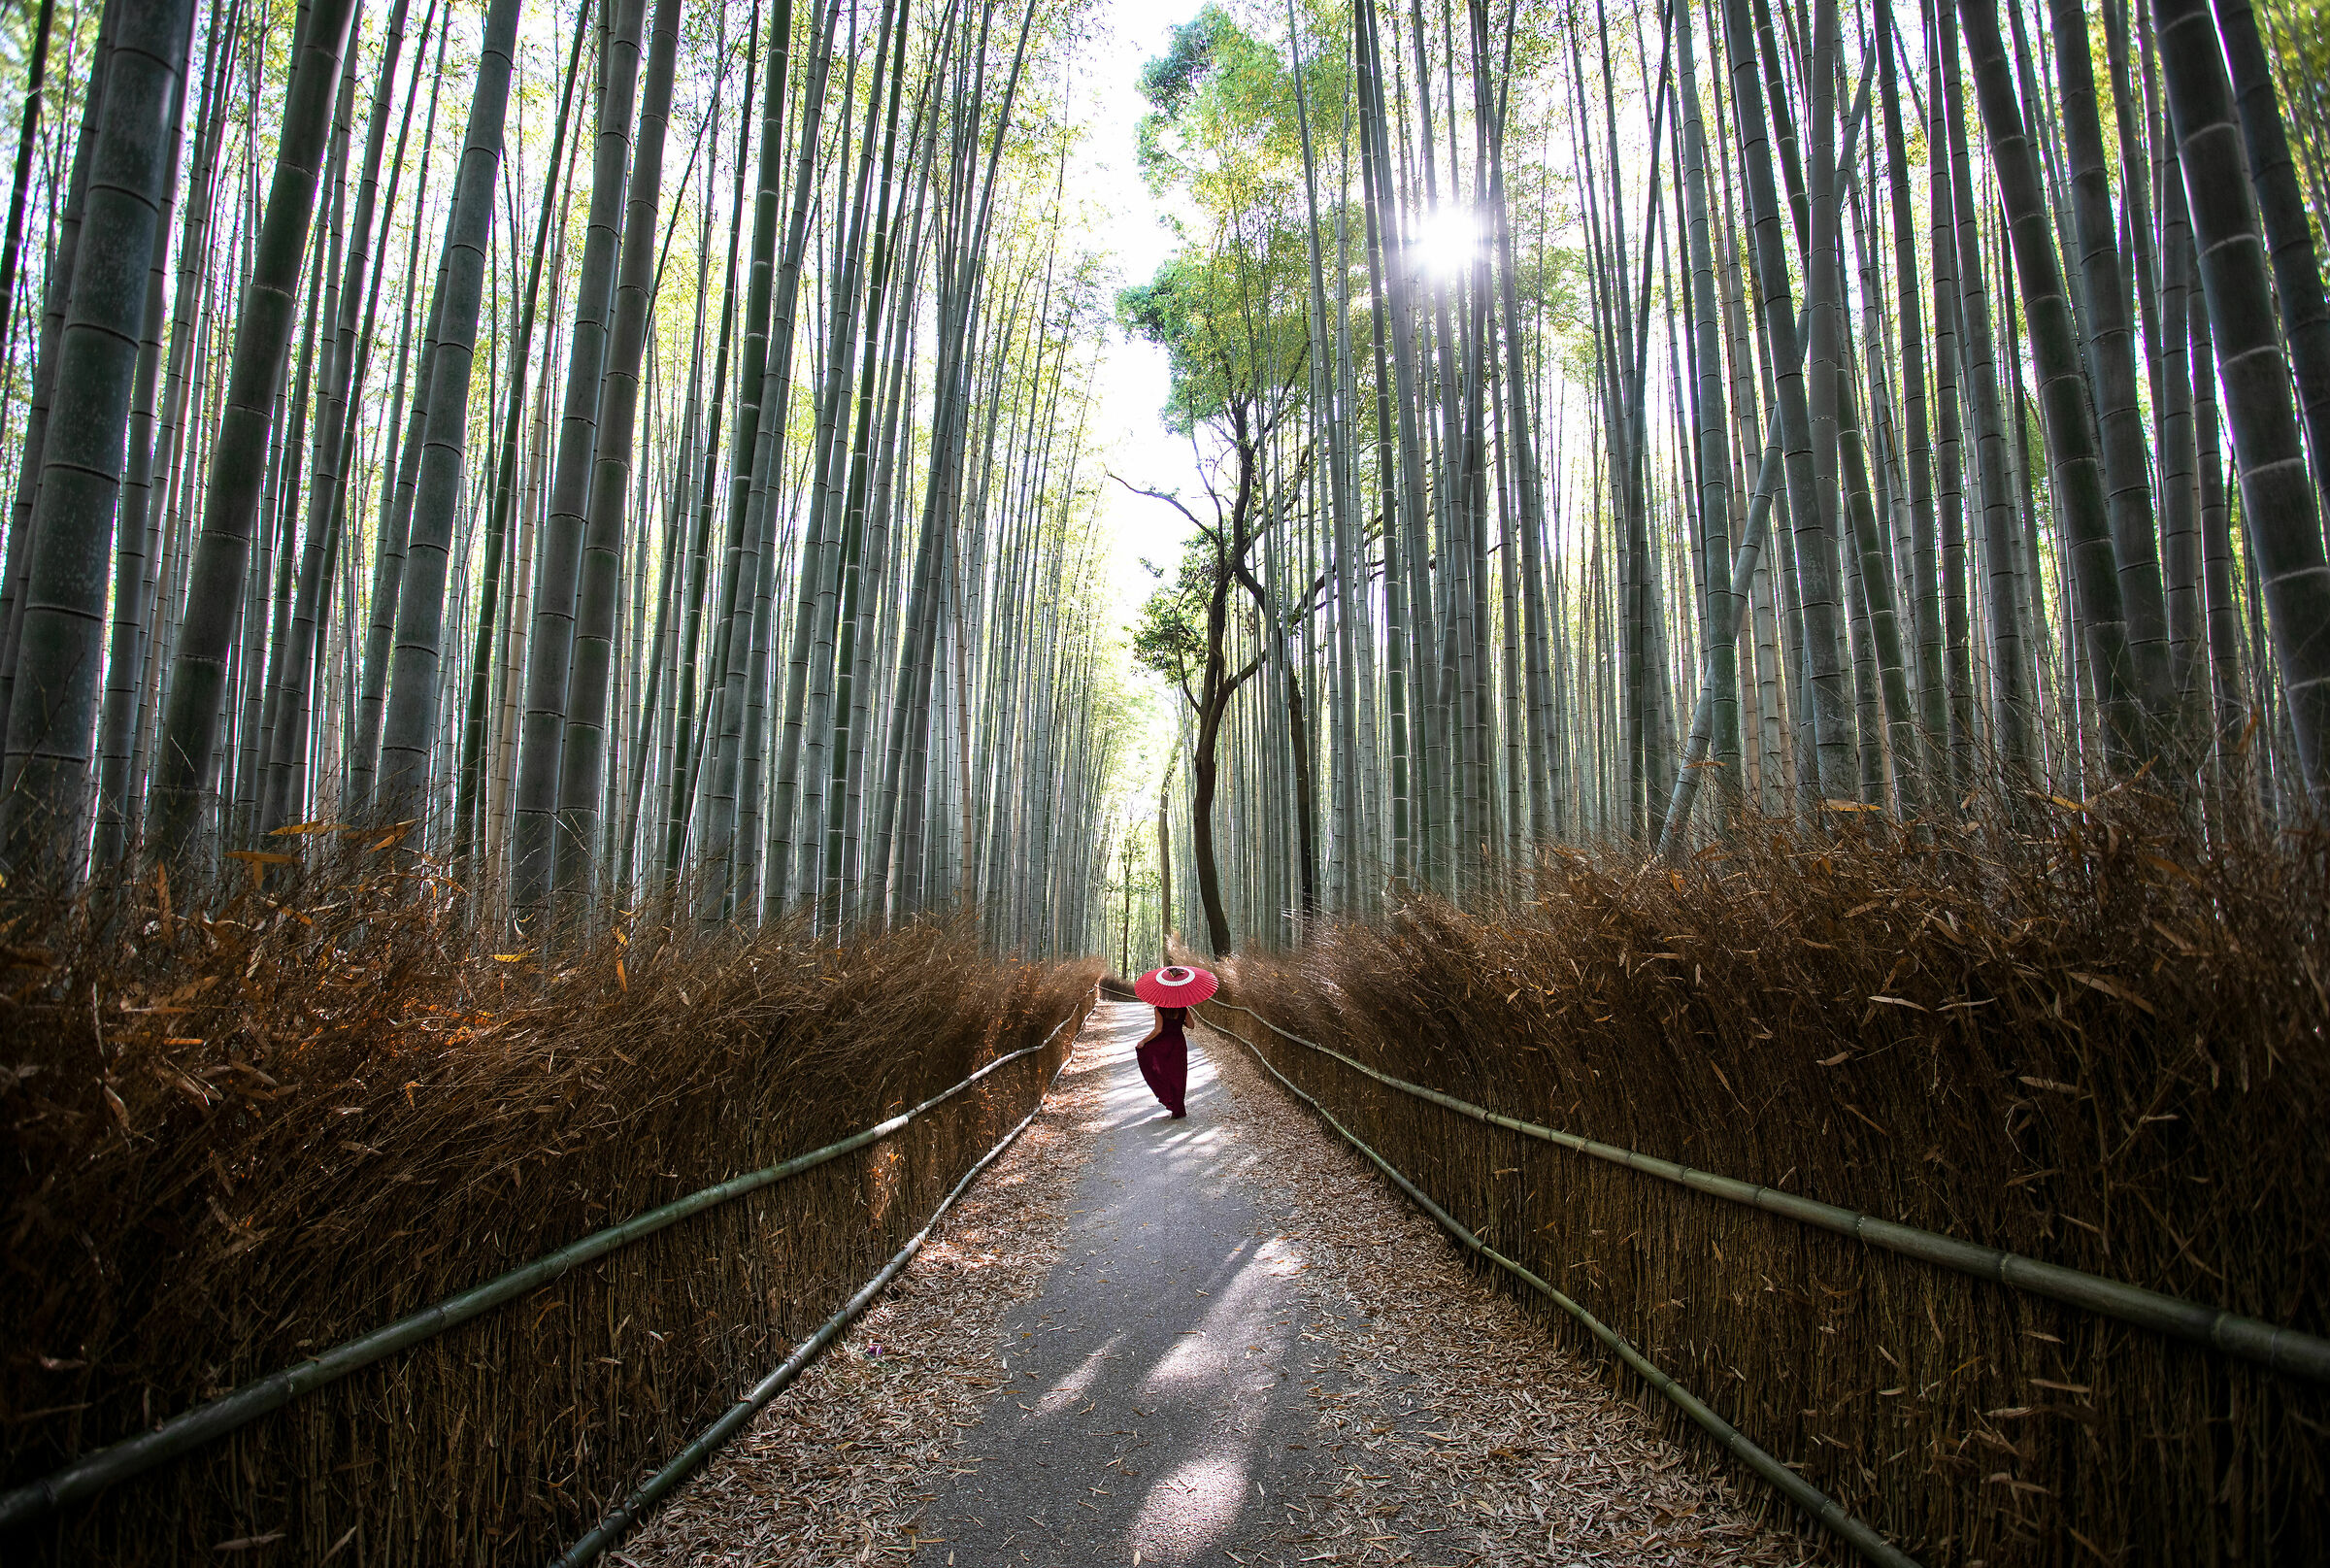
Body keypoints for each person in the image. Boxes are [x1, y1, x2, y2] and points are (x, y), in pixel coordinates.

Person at [1131, 964, 1217, 1119]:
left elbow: (1158, 1030)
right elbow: (1191, 1026)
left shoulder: (1159, 1008)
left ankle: (1169, 1100)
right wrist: (1182, 1020)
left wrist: (1143, 1041)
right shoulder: (1183, 1008)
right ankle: (1179, 1108)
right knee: (1179, 1075)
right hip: (1178, 1044)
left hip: (1163, 1045)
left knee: (1165, 1073)